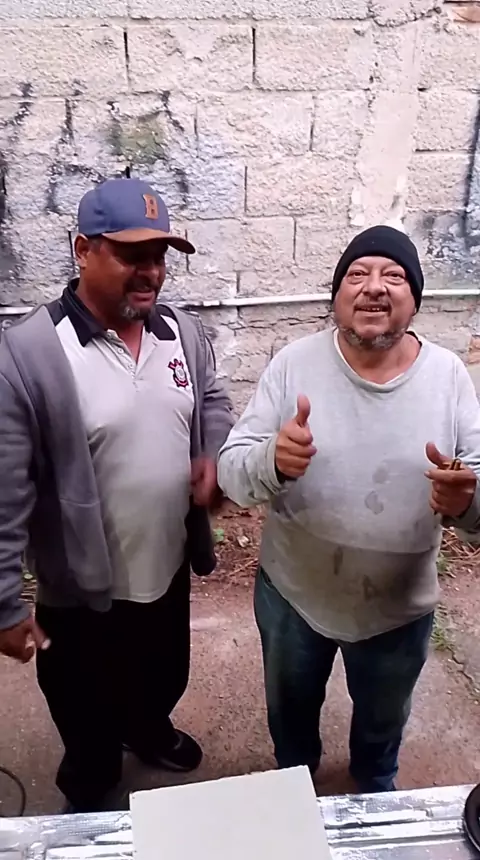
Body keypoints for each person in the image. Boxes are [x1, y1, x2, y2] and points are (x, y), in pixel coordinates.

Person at [217, 225, 480, 792]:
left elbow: (478, 489)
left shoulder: (448, 377)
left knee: (382, 728)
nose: (374, 287)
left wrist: (468, 500)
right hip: (294, 597)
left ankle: (374, 783)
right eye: (357, 274)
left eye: (394, 276)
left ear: (415, 300)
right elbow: (232, 474)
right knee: (290, 719)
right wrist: (272, 459)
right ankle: (294, 782)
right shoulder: (293, 364)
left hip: (398, 610)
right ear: (336, 296)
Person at [0, 177, 233, 812]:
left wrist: (212, 454)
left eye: (159, 256)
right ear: (83, 250)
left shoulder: (179, 332)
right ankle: (91, 780)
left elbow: (212, 400)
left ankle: (148, 729)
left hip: (166, 565)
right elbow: (6, 490)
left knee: (163, 673)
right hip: (81, 589)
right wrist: (4, 603)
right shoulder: (30, 354)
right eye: (132, 255)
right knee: (83, 706)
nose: (150, 271)